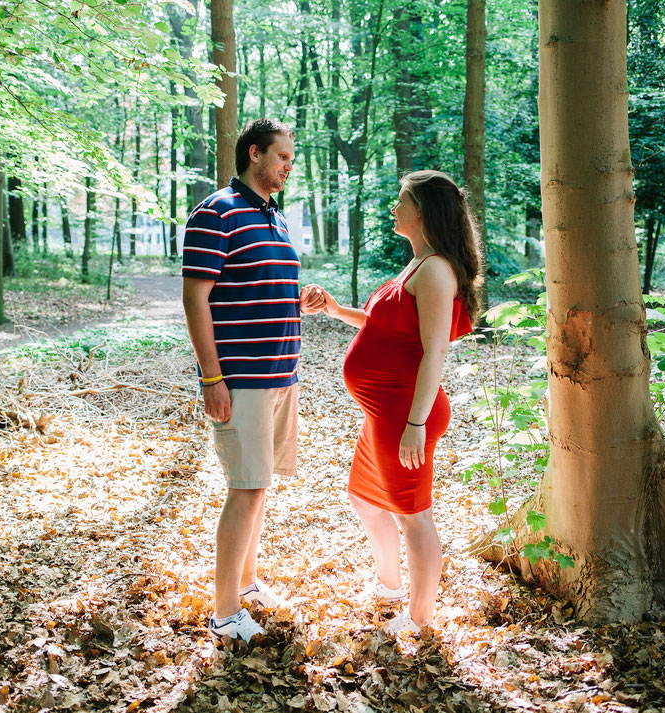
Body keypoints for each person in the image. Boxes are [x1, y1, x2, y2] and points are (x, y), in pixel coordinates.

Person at [305, 170, 483, 634]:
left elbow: (435, 350)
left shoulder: (438, 270)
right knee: (364, 500)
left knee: (414, 517)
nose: (393, 208)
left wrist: (416, 423)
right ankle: (389, 584)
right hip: (382, 412)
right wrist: (335, 309)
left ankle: (420, 619)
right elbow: (385, 327)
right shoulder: (417, 263)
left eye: (400, 200)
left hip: (406, 412)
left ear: (420, 211)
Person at [182, 118, 322, 641]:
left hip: (282, 373)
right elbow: (196, 298)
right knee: (245, 488)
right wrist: (210, 376)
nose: (289, 167)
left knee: (258, 487)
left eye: (290, 159)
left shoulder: (274, 217)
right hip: (239, 377)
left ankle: (245, 584)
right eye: (283, 157)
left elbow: (254, 289)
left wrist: (297, 301)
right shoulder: (216, 211)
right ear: (255, 153)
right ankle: (224, 614)